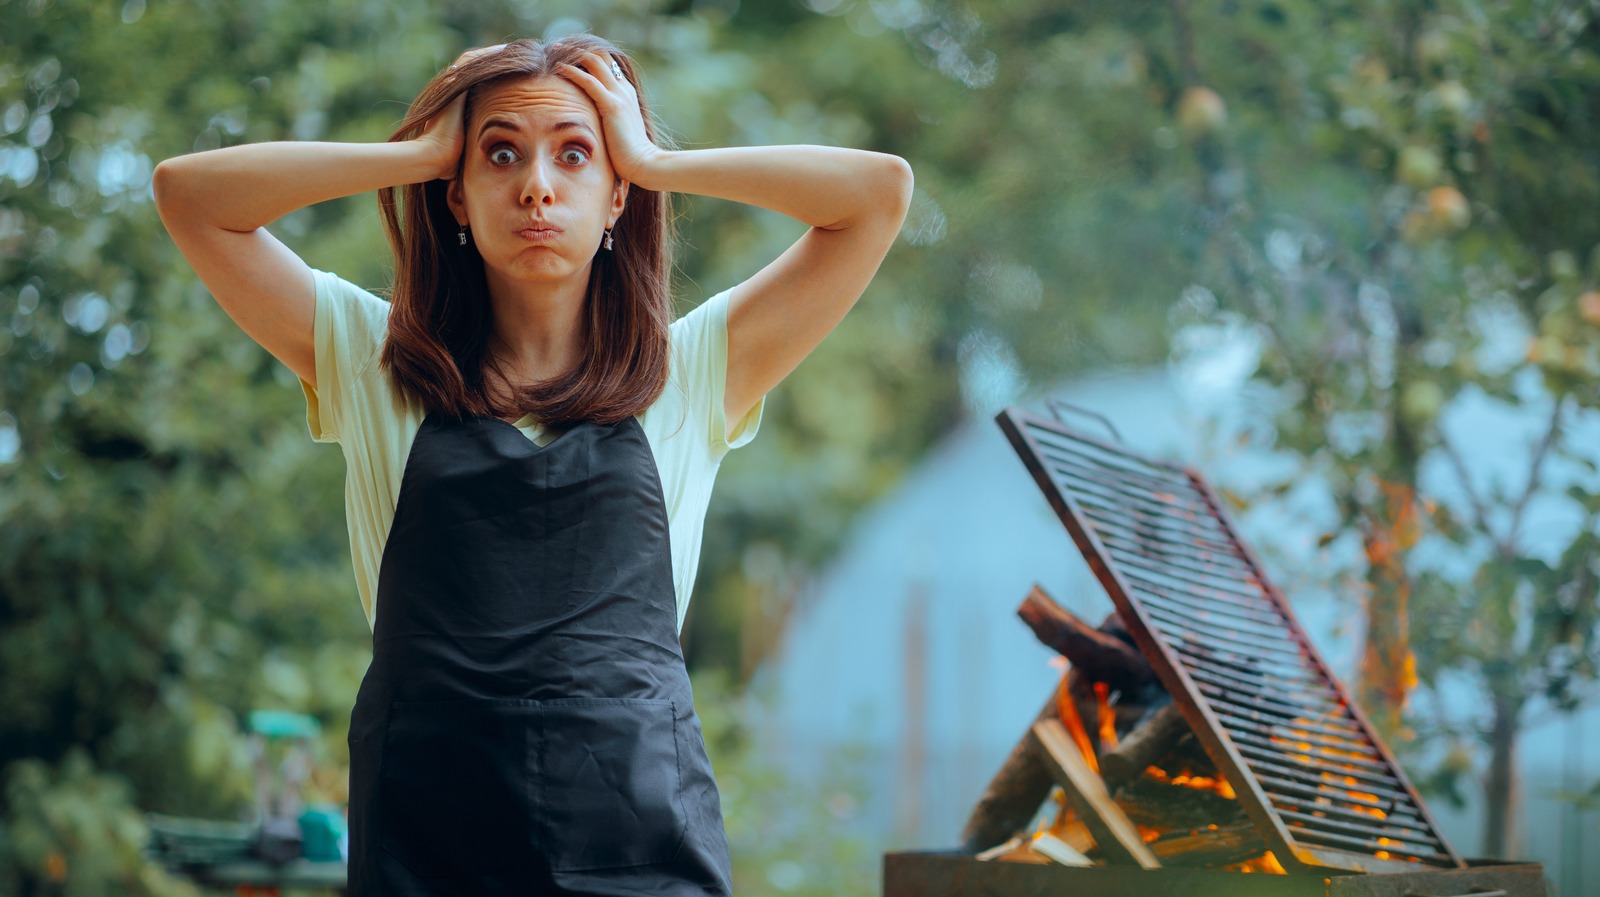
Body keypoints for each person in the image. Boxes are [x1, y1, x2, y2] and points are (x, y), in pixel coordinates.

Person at [151, 33, 912, 897]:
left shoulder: (693, 373)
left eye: (576, 155)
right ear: (460, 200)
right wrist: (422, 150)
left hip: (642, 854)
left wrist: (657, 158)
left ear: (618, 195)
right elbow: (189, 196)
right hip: (425, 851)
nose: (537, 186)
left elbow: (878, 195)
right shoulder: (372, 361)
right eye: (501, 155)